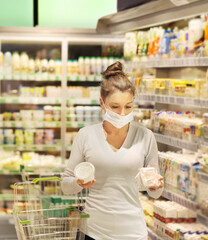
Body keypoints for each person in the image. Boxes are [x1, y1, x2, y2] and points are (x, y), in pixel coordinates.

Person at [61, 61, 163, 240]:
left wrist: (155, 186)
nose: (122, 113)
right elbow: (65, 186)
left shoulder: (145, 136)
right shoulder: (86, 135)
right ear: (102, 103)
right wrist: (78, 183)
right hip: (94, 231)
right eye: (115, 107)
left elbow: (155, 192)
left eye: (128, 106)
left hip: (133, 232)